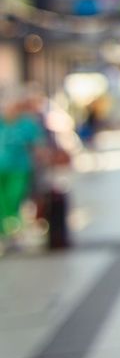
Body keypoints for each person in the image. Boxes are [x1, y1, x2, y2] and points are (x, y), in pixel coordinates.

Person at [0, 92, 46, 247]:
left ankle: (14, 229)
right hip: (2, 169)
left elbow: (38, 145)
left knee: (14, 198)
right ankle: (6, 232)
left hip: (20, 168)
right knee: (2, 201)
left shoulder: (26, 124)